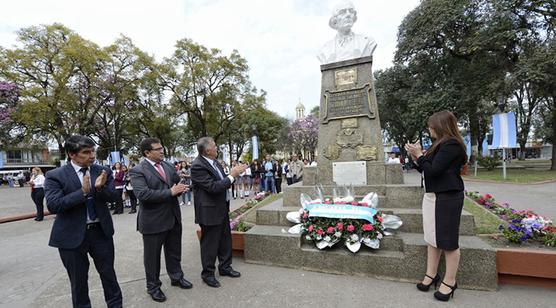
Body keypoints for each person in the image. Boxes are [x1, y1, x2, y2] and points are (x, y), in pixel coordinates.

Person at [44, 135, 122, 308]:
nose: (92, 155)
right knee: (78, 282)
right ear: (72, 154)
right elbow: (54, 205)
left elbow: (114, 198)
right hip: (71, 237)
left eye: (93, 151)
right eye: (86, 152)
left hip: (101, 233)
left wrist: (100, 188)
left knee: (109, 275)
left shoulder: (102, 171)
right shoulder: (54, 175)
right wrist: (82, 193)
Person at [405, 111, 467, 302]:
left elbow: (434, 169)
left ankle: (450, 281)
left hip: (447, 197)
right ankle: (431, 275)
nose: (429, 128)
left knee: (448, 241)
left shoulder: (452, 145)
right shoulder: (438, 144)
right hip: (433, 196)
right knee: (432, 237)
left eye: (431, 125)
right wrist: (415, 157)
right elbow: (427, 169)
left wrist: (420, 155)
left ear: (440, 126)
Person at [129, 138, 191, 302]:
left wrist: (181, 187)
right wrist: (171, 192)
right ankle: (153, 287)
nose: (162, 151)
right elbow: (143, 194)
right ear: (147, 153)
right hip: (153, 221)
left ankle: (176, 277)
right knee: (152, 257)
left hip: (173, 217)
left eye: (162, 148)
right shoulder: (138, 170)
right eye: (158, 149)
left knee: (174, 251)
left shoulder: (168, 165)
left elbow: (176, 183)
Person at [191, 137, 248, 288]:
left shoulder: (214, 162)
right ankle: (208, 274)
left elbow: (223, 182)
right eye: (215, 146)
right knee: (210, 244)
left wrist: (233, 175)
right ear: (207, 150)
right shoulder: (197, 166)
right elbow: (213, 187)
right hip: (209, 211)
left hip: (221, 208)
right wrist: (232, 175)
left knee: (225, 239)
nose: (217, 148)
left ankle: (225, 267)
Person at [317, 0, 377, 64]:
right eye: (342, 12)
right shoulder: (325, 49)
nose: (348, 14)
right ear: (335, 20)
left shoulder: (367, 41)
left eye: (351, 11)